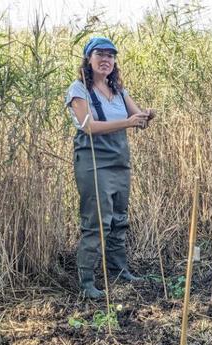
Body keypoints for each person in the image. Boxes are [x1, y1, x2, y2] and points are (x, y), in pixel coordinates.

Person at [65, 37, 156, 299]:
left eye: (111, 55)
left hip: (119, 161)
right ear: (88, 59)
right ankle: (87, 282)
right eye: (100, 54)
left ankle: (118, 270)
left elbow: (137, 121)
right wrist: (128, 122)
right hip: (94, 161)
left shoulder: (119, 90)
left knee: (119, 218)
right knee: (97, 222)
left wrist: (147, 116)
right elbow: (88, 126)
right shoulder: (78, 89)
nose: (106, 60)